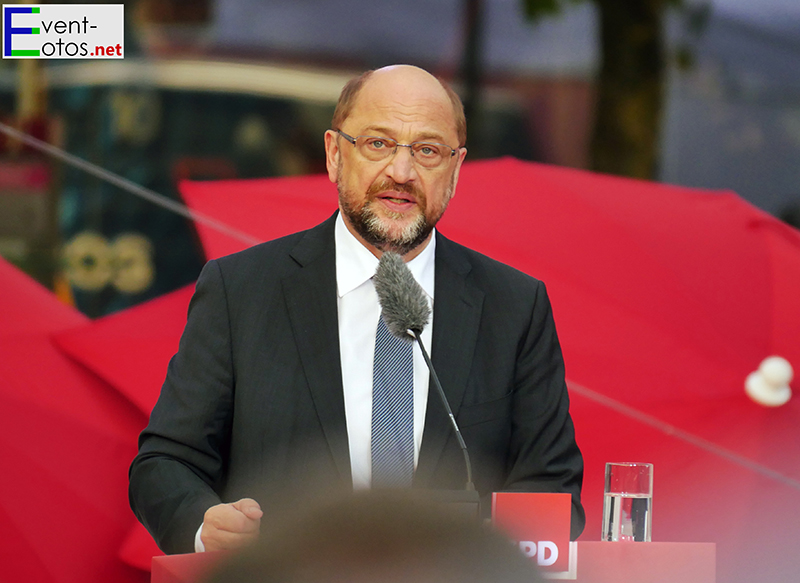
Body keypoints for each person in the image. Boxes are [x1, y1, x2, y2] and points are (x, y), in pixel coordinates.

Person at [129, 64, 584, 555]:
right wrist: (204, 524)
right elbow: (166, 463)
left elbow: (551, 489)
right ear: (333, 154)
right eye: (378, 144)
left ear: (455, 169)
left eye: (428, 151)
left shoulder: (513, 306)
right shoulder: (241, 290)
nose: (402, 173)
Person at [203, 490, 548, 583]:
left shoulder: (512, 313)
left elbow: (548, 470)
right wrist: (212, 528)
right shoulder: (234, 310)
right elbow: (171, 456)